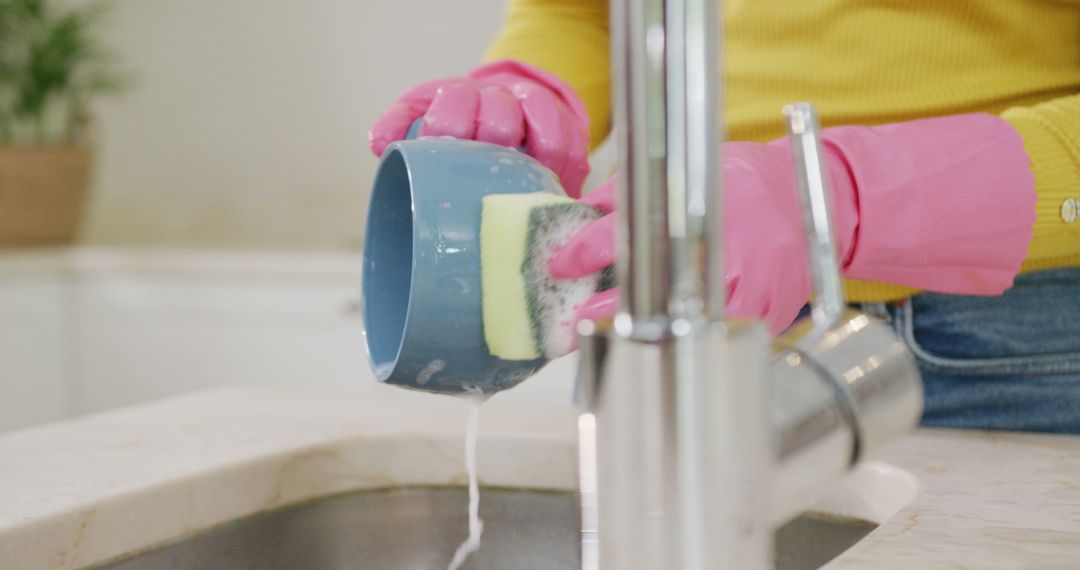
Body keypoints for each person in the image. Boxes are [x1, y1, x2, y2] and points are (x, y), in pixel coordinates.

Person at [370, 0, 1080, 434]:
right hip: (662, 299)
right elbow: (578, 7)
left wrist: (846, 197)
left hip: (1006, 351)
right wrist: (537, 84)